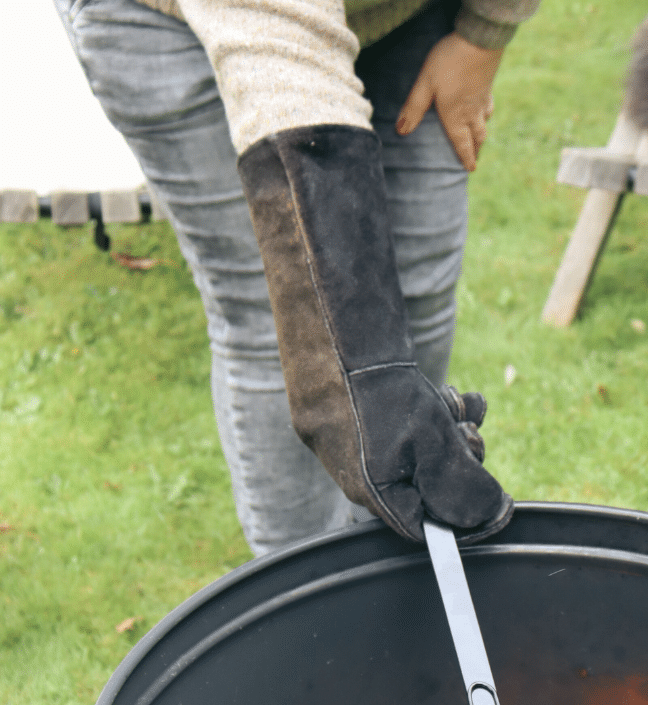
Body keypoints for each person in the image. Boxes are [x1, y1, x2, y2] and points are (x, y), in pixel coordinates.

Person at [54, 0, 537, 554]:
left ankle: (393, 570)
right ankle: (305, 607)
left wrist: (485, 33)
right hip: (189, 22)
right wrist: (366, 372)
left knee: (416, 298)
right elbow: (280, 50)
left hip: (408, 14)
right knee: (280, 319)